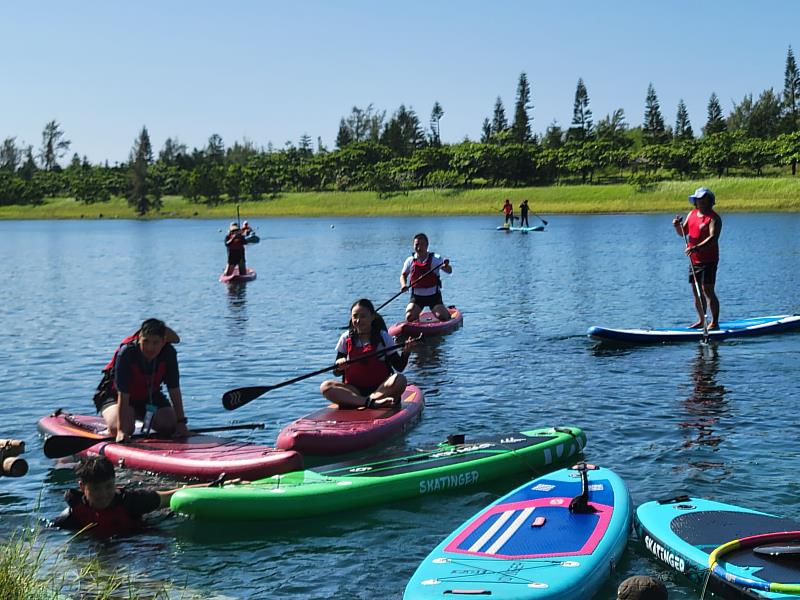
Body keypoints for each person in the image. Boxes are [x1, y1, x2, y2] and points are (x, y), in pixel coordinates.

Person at [53, 456, 191, 538]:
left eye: (108, 487)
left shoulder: (132, 501)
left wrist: (211, 485)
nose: (103, 494)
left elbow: (172, 496)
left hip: (136, 541)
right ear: (82, 487)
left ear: (115, 483)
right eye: (96, 489)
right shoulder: (72, 516)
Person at [99, 318, 188, 442]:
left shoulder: (169, 353)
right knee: (122, 428)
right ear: (139, 339)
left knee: (169, 425)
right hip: (116, 396)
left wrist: (181, 423)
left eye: (155, 343)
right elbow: (123, 394)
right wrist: (121, 431)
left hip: (149, 396)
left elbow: (174, 389)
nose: (150, 348)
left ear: (163, 342)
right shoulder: (127, 353)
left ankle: (139, 418)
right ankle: (112, 427)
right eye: (145, 341)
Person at [320, 299, 415, 409]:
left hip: (381, 388)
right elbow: (336, 373)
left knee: (400, 380)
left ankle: (370, 399)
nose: (358, 320)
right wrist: (339, 365)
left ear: (372, 317)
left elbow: (399, 367)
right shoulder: (345, 338)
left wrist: (406, 352)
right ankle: (370, 402)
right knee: (325, 387)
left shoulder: (383, 337)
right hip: (354, 391)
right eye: (355, 316)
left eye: (363, 316)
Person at [672, 187, 722, 330]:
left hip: (709, 259)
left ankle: (714, 322)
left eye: (704, 200)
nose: (701, 202)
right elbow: (684, 232)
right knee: (696, 290)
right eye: (698, 200)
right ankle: (701, 320)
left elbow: (713, 238)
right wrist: (677, 226)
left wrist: (696, 247)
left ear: (710, 201)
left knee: (707, 290)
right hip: (693, 260)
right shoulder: (692, 214)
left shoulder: (714, 218)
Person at [400, 233, 453, 322]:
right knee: (409, 317)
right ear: (413, 245)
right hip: (417, 297)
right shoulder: (410, 260)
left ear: (427, 245)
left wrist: (446, 266)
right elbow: (403, 275)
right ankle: (416, 321)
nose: (419, 248)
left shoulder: (436, 259)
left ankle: (447, 312)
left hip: (433, 297)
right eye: (416, 245)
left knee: (443, 317)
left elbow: (449, 271)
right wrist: (403, 285)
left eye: (422, 244)